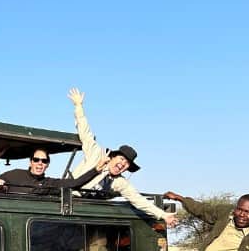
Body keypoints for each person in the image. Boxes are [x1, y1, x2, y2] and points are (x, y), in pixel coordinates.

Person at [67, 88, 178, 227]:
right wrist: (78, 106)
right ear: (113, 157)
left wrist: (163, 215)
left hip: (89, 211)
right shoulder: (96, 153)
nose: (122, 164)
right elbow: (85, 131)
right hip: (69, 200)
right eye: (122, 159)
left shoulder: (119, 182)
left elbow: (138, 200)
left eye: (126, 164)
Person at [0, 146, 110, 195]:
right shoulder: (14, 174)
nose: (40, 163)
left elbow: (75, 183)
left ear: (47, 165)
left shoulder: (49, 183)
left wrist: (96, 169)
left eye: (44, 161)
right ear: (30, 161)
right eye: (36, 160)